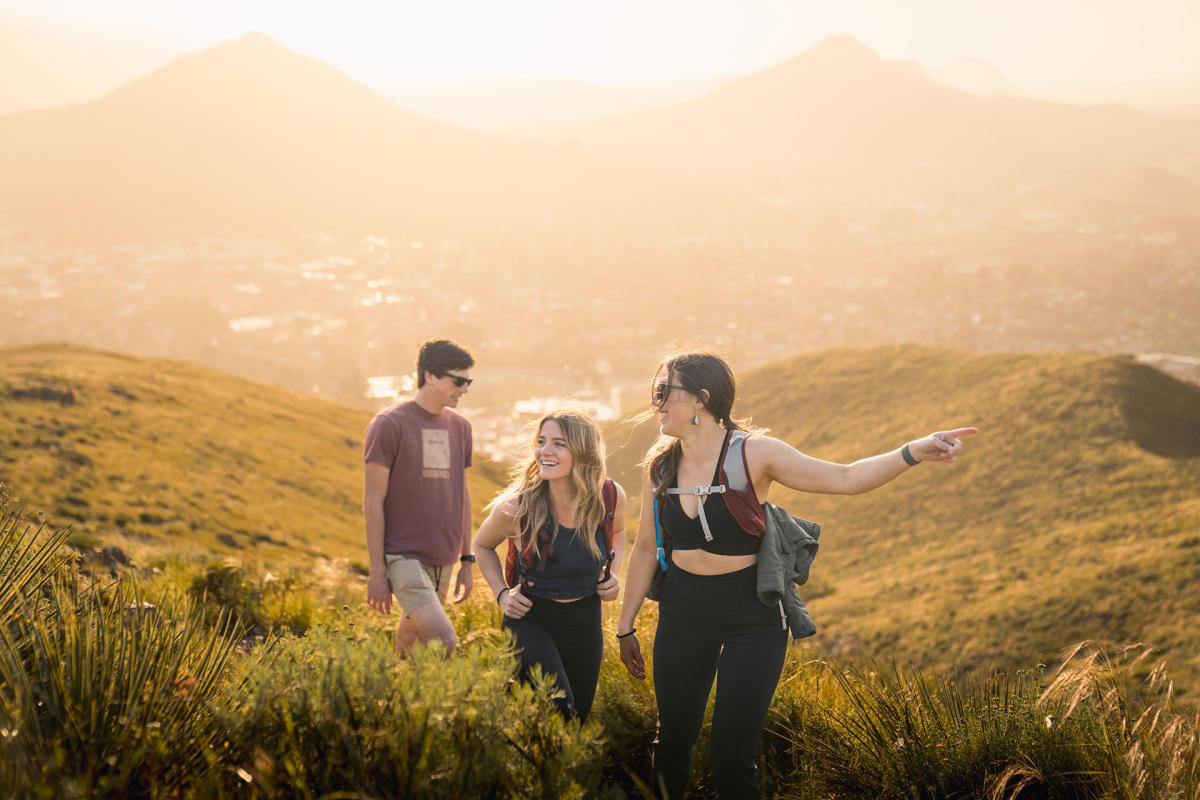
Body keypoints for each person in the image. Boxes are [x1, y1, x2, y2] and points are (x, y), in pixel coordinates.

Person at [616, 350, 977, 799]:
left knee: (732, 757)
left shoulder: (755, 454)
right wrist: (625, 626)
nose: (657, 403)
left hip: (753, 617)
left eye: (664, 392)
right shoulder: (660, 463)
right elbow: (647, 548)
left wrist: (912, 452)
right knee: (671, 745)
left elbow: (845, 478)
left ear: (701, 400)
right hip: (682, 612)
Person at [474, 409, 626, 721]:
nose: (545, 451)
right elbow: (482, 545)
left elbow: (619, 531)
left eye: (558, 443)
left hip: (585, 620)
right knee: (561, 710)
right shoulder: (518, 507)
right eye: (541, 441)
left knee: (576, 722)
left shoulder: (609, 497)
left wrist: (613, 571)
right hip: (531, 619)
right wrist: (502, 594)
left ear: (583, 451)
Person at [364, 338, 477, 657]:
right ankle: (449, 704)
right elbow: (373, 501)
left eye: (468, 381)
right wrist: (377, 571)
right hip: (402, 557)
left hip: (445, 557)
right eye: (458, 380)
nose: (465, 388)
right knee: (444, 639)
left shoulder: (461, 428)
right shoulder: (388, 424)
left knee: (411, 645)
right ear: (430, 375)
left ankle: (393, 702)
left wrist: (467, 560)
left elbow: (462, 496)